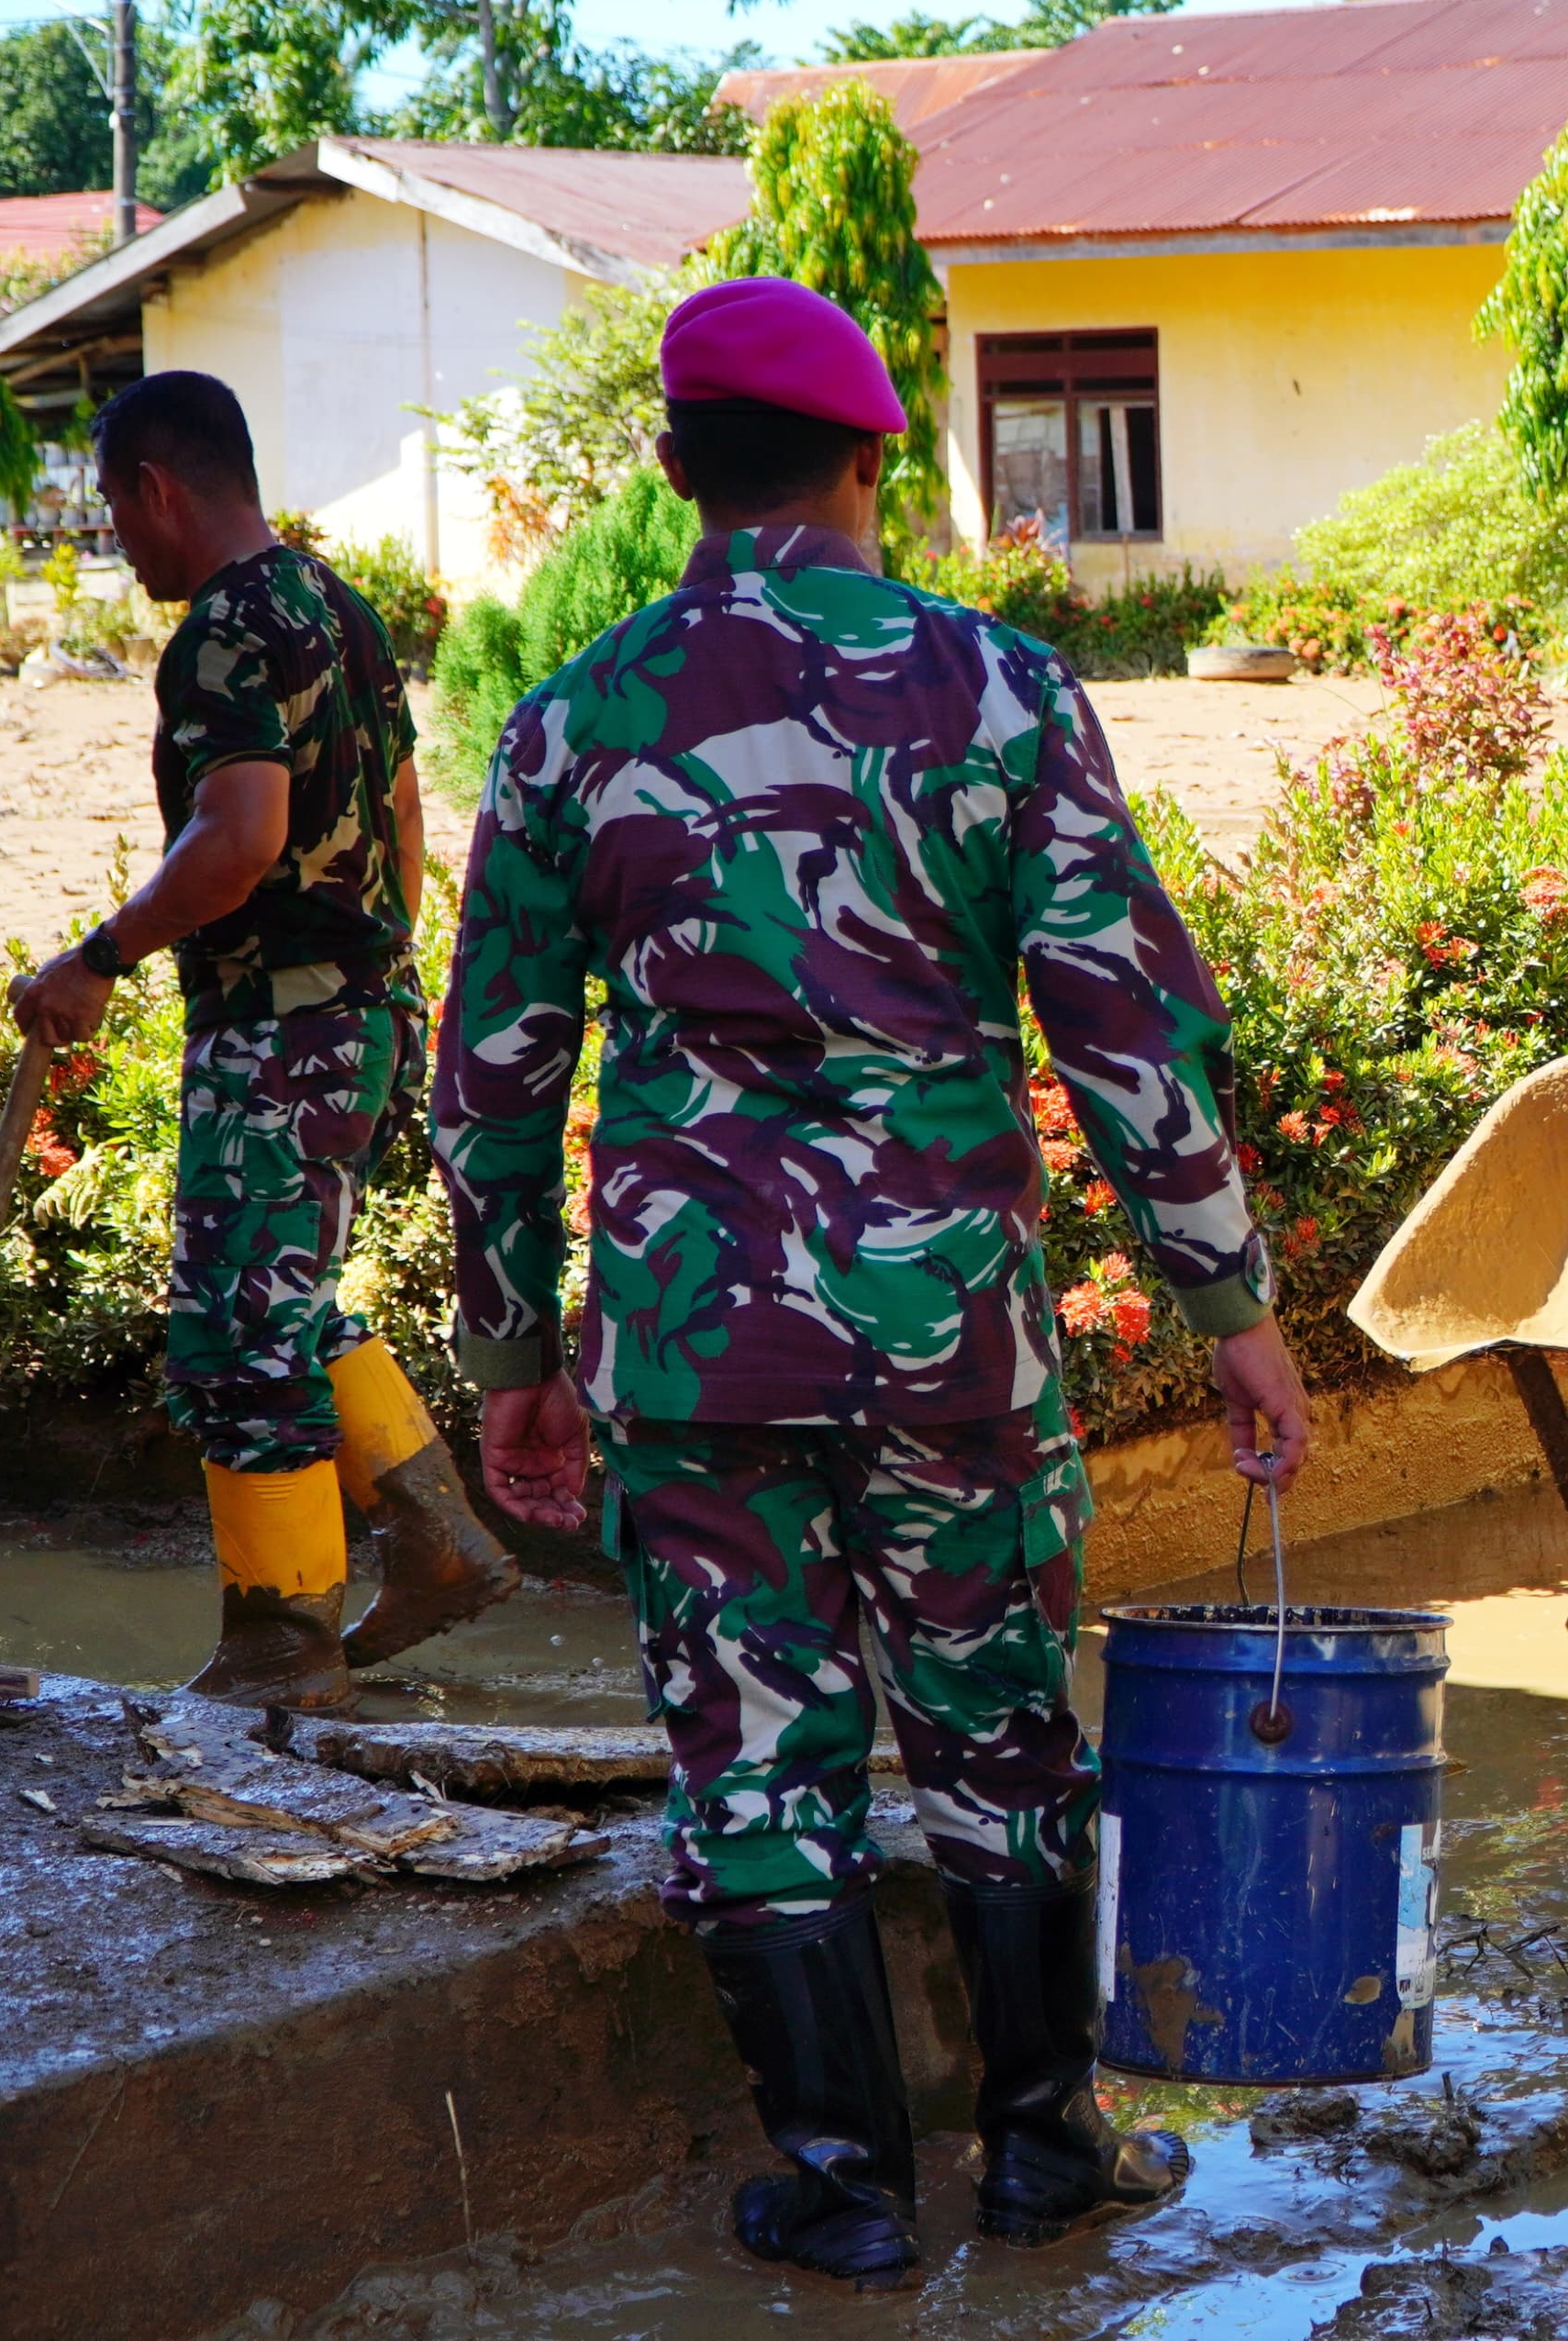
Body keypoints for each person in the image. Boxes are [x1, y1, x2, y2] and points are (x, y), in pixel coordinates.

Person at [432, 276, 1312, 2290]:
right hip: (948, 1339)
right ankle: (1042, 2148)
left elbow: (494, 1072)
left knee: (756, 1759)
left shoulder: (572, 721)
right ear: (869, 465)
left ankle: (841, 2187)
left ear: (675, 469)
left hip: (693, 1345)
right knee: (1000, 1734)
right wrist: (1231, 1310)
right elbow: (1125, 1032)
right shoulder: (998, 691)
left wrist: (511, 1353)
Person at [10, 371, 513, 1709]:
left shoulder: (226, 630)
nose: (119, 539)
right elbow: (405, 812)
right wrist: (376, 979)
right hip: (362, 1008)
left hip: (280, 1030)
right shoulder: (333, 605)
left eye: (115, 508)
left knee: (237, 1335)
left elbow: (237, 838)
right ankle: (437, 1539)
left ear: (156, 488)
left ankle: (282, 1643)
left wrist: (98, 959)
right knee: (284, 1294)